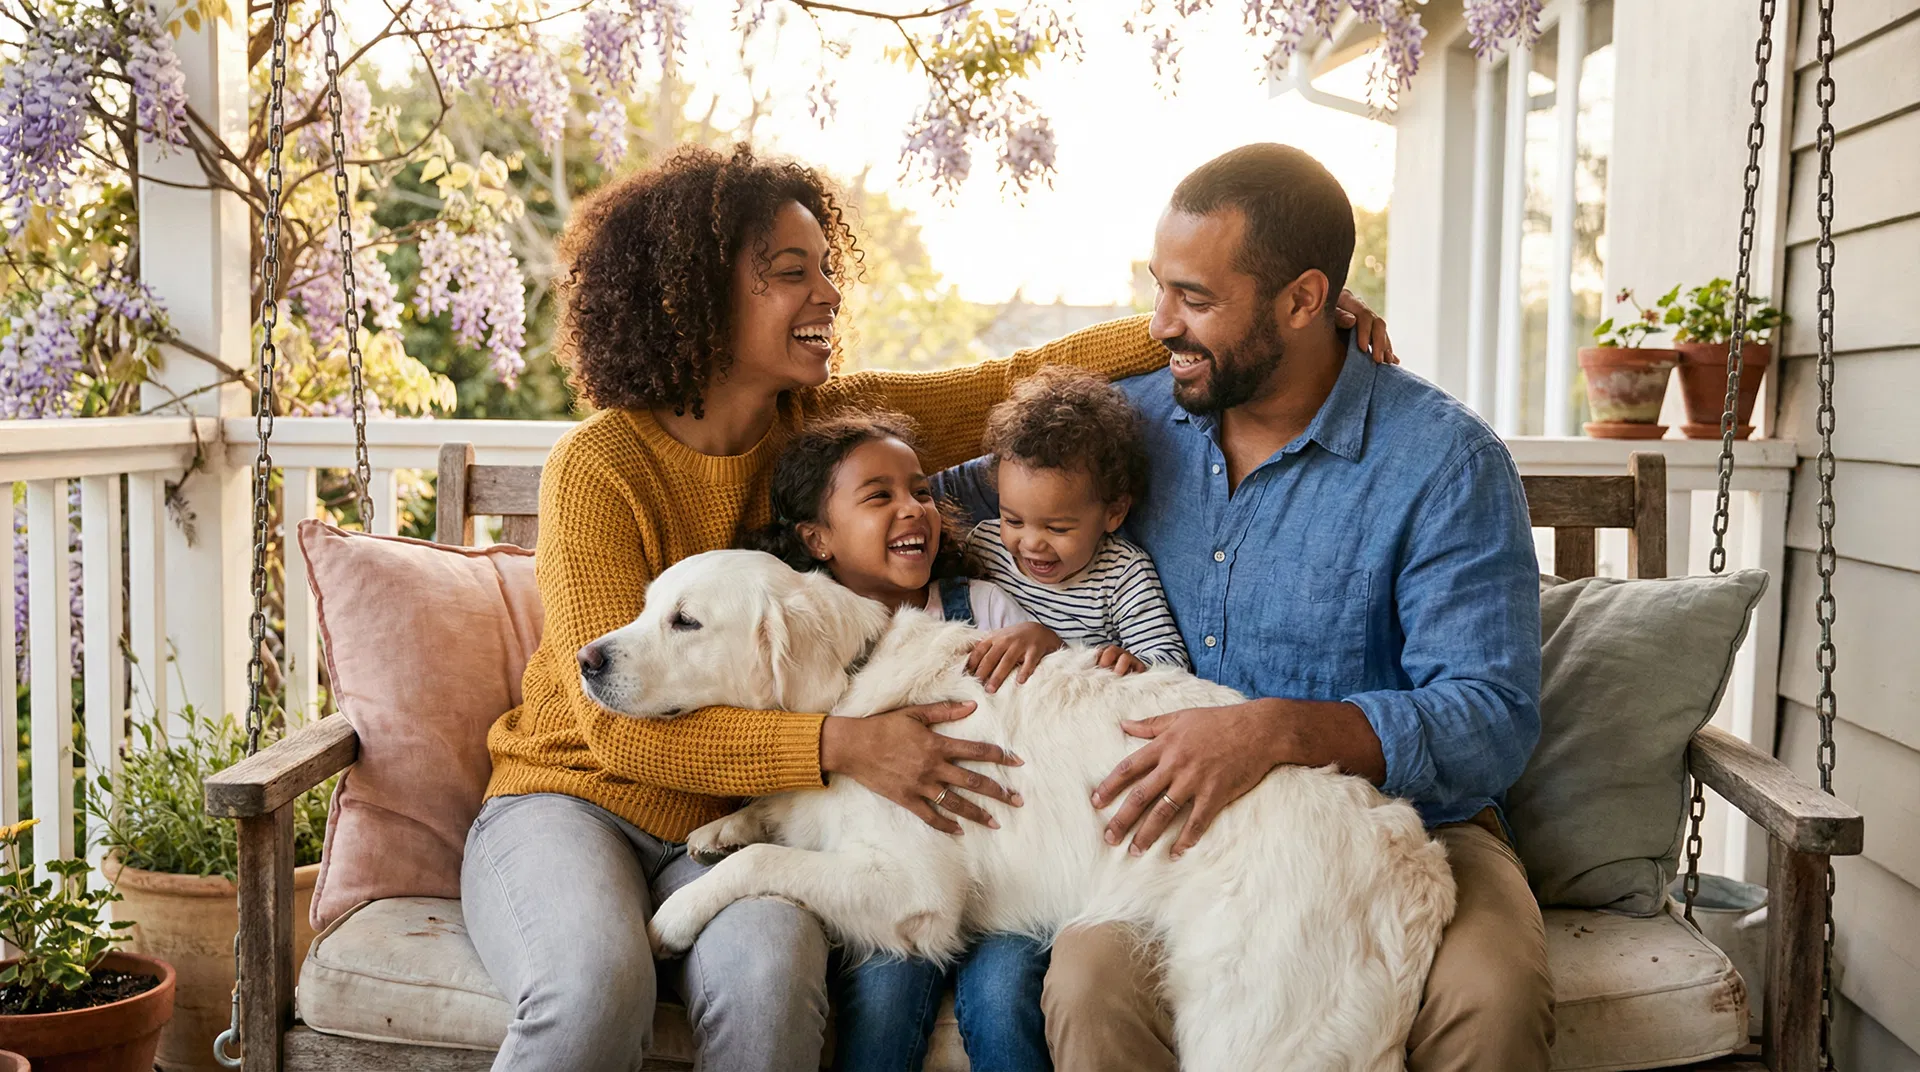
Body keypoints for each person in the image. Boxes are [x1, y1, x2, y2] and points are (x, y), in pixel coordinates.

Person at [458, 141, 1393, 1072]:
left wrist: (1252, 318)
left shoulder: (830, 430)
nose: (827, 294)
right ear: (696, 299)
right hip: (574, 799)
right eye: (794, 274)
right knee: (594, 985)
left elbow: (1006, 383)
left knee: (773, 983)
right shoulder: (599, 467)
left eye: (828, 269)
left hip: (750, 812)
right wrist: (846, 747)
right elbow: (612, 729)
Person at [939, 143, 1552, 1072]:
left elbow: (1491, 718)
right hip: (1179, 831)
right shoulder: (1124, 427)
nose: (1158, 324)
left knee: (1489, 1001)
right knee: (1091, 984)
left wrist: (1279, 732)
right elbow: (902, 502)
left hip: (1415, 825)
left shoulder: (1444, 463)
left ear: (1304, 301)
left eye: (1194, 298)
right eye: (1157, 287)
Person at [744, 413, 1063, 1072]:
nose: (913, 509)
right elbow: (791, 753)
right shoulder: (809, 646)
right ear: (818, 538)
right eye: (879, 496)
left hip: (1002, 877)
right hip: (886, 873)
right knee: (883, 1003)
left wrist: (1048, 644)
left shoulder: (983, 609)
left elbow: (1057, 715)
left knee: (1006, 1000)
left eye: (919, 491)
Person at [936, 367, 1190, 677]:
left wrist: (1133, 664)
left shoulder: (1122, 575)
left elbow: (1172, 662)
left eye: (1057, 528)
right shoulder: (985, 546)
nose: (1030, 543)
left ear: (1114, 513)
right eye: (1013, 520)